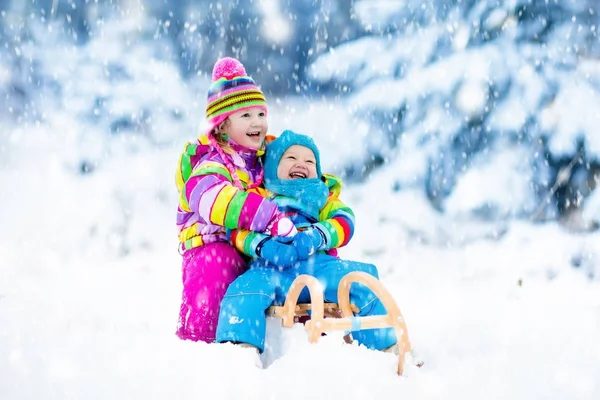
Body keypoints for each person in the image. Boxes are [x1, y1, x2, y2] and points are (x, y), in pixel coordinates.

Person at [215, 130, 398, 357]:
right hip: (270, 269)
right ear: (272, 167)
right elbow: (238, 231)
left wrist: (317, 236)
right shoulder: (259, 196)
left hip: (319, 267)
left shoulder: (323, 197)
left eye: (310, 161)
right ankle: (239, 349)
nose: (301, 163)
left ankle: (386, 347)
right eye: (291, 158)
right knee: (244, 289)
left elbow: (345, 220)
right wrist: (263, 245)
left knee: (361, 280)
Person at [174, 57, 297, 343]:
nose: (257, 123)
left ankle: (286, 339)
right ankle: (200, 340)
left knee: (288, 265)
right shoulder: (209, 162)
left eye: (260, 114)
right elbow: (212, 196)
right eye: (246, 116)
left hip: (251, 245)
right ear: (222, 126)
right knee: (218, 267)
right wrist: (266, 215)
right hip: (212, 245)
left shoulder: (267, 161)